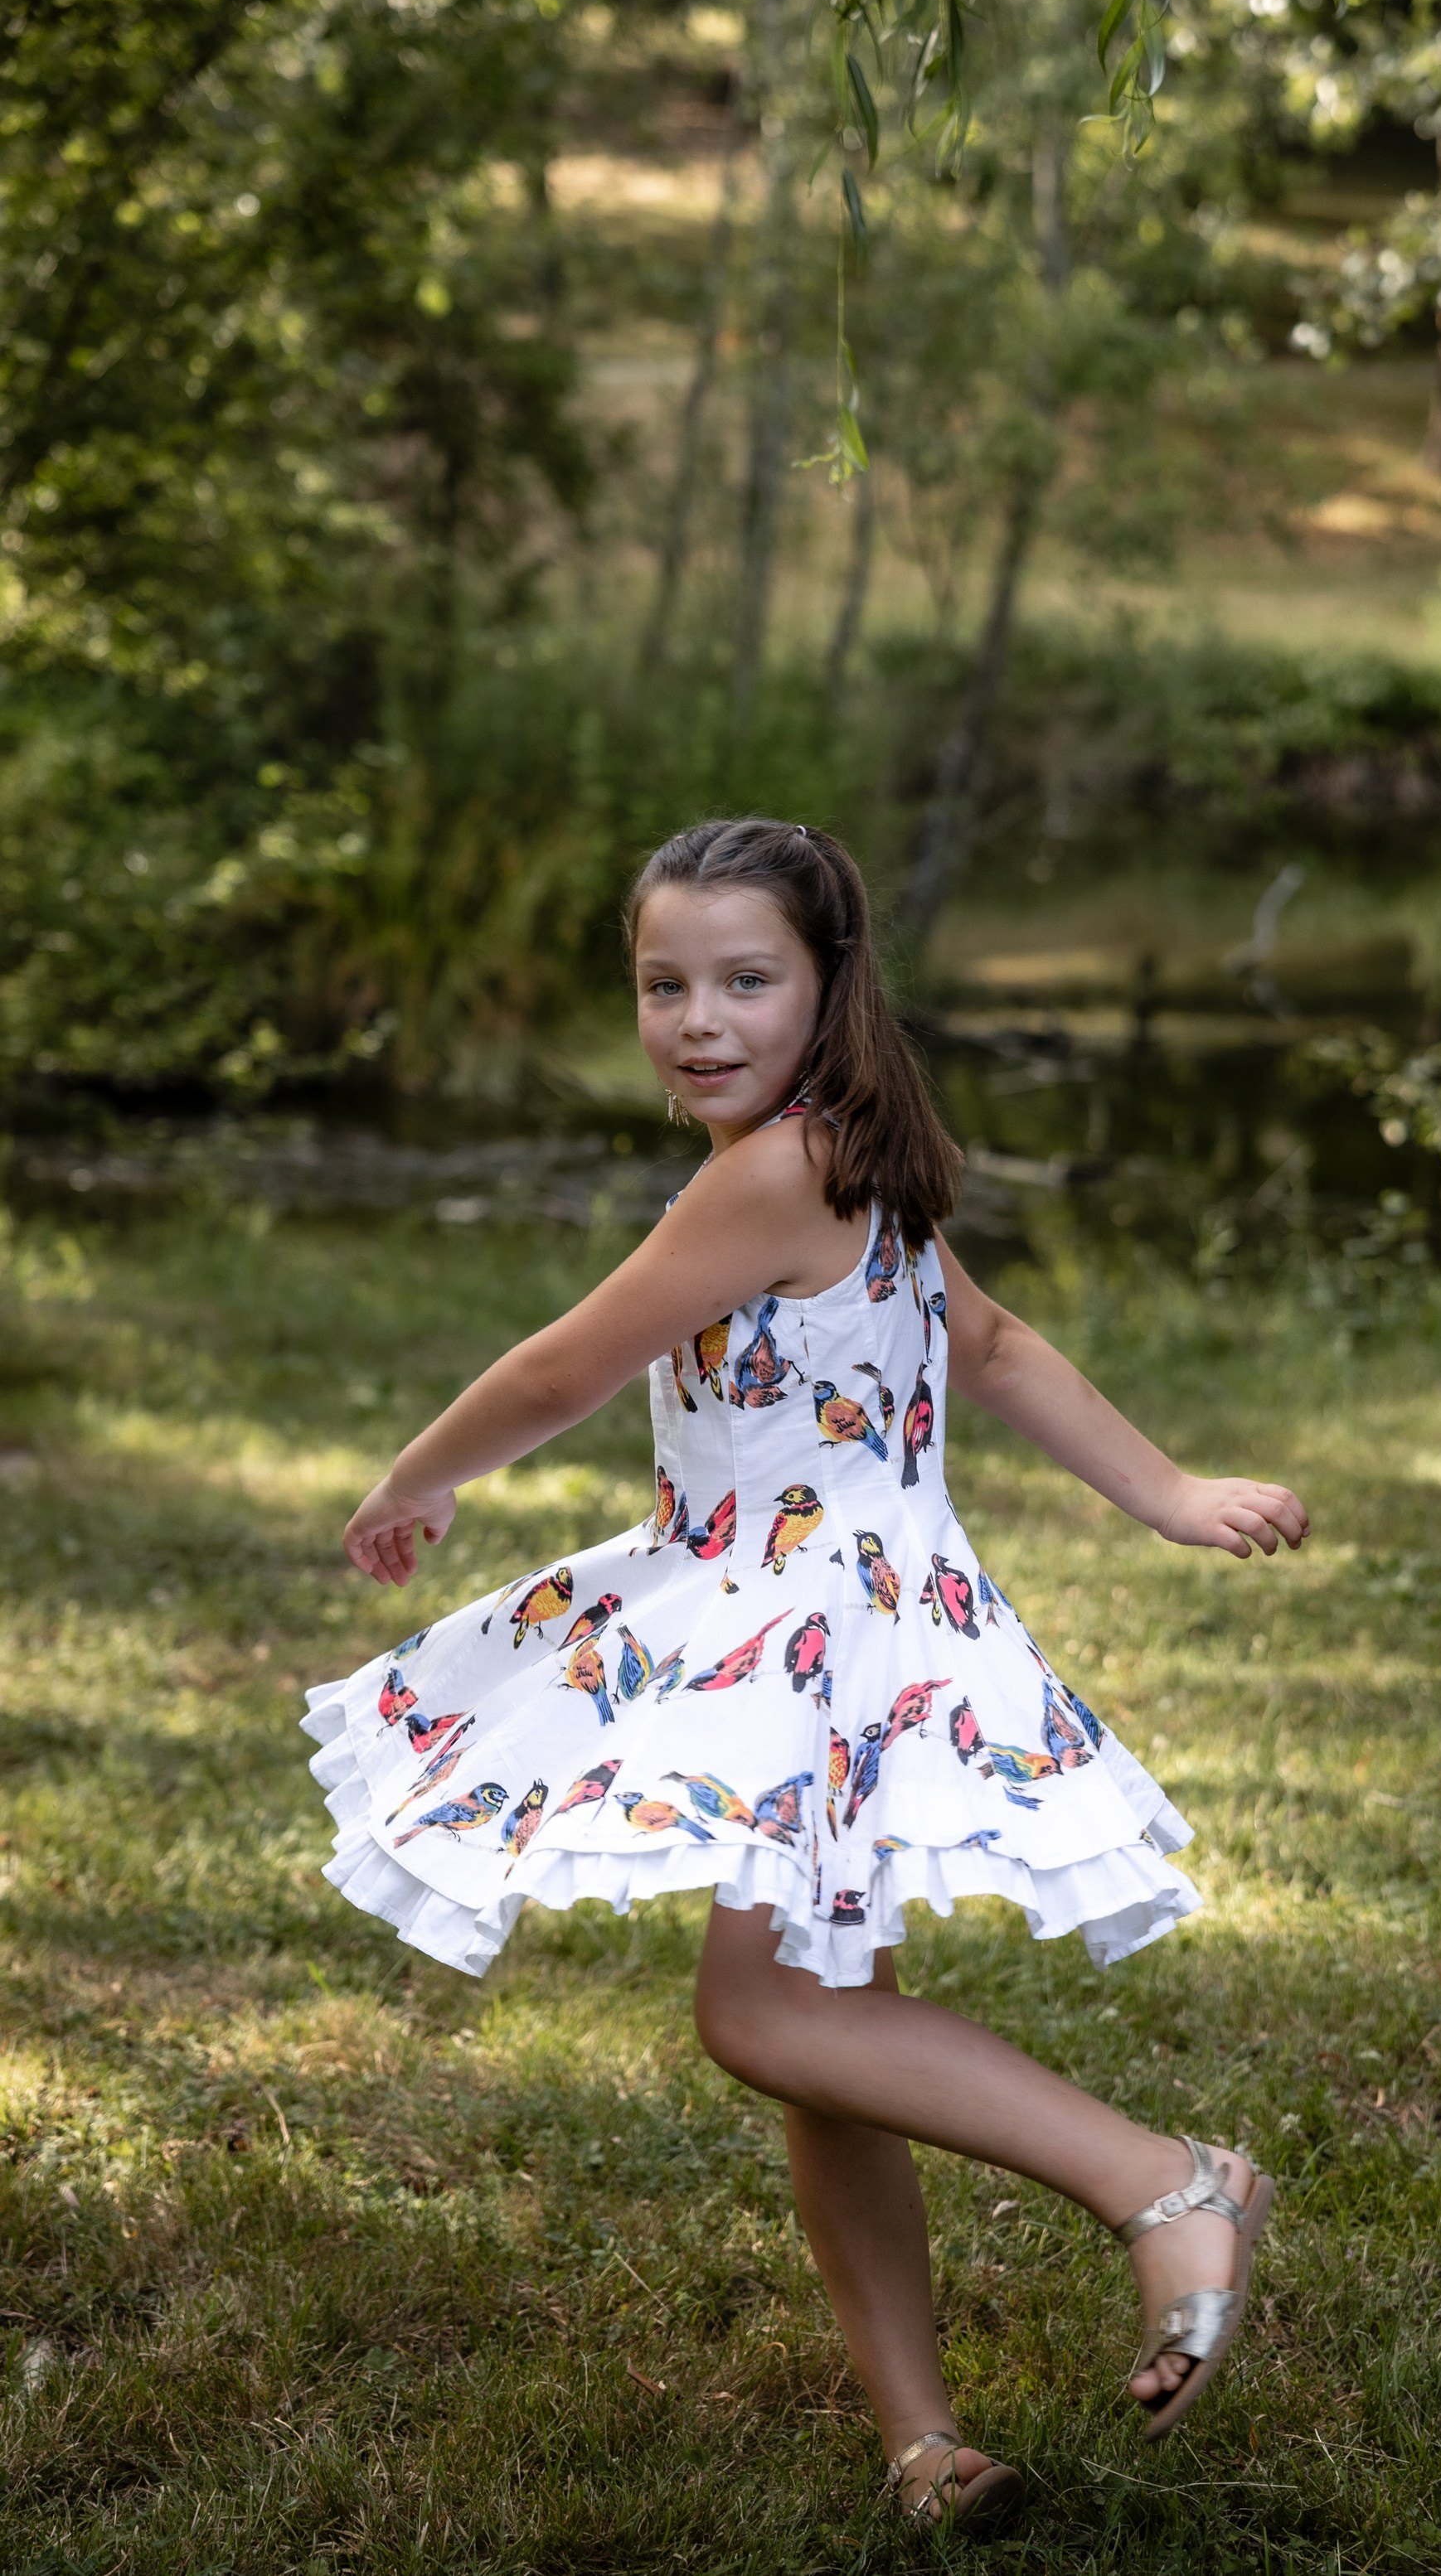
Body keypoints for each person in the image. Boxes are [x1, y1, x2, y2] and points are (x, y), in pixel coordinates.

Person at [304, 818, 1308, 2537]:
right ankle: (926, 2444)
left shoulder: (771, 1171)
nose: (697, 1018)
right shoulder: (850, 1148)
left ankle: (1167, 2178)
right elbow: (982, 1340)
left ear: (832, 984)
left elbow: (566, 1361)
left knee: (760, 2010)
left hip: (801, 1625)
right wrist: (1166, 1491)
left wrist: (417, 1475)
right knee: (826, 2040)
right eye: (663, 984)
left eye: (745, 980)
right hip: (850, 1612)